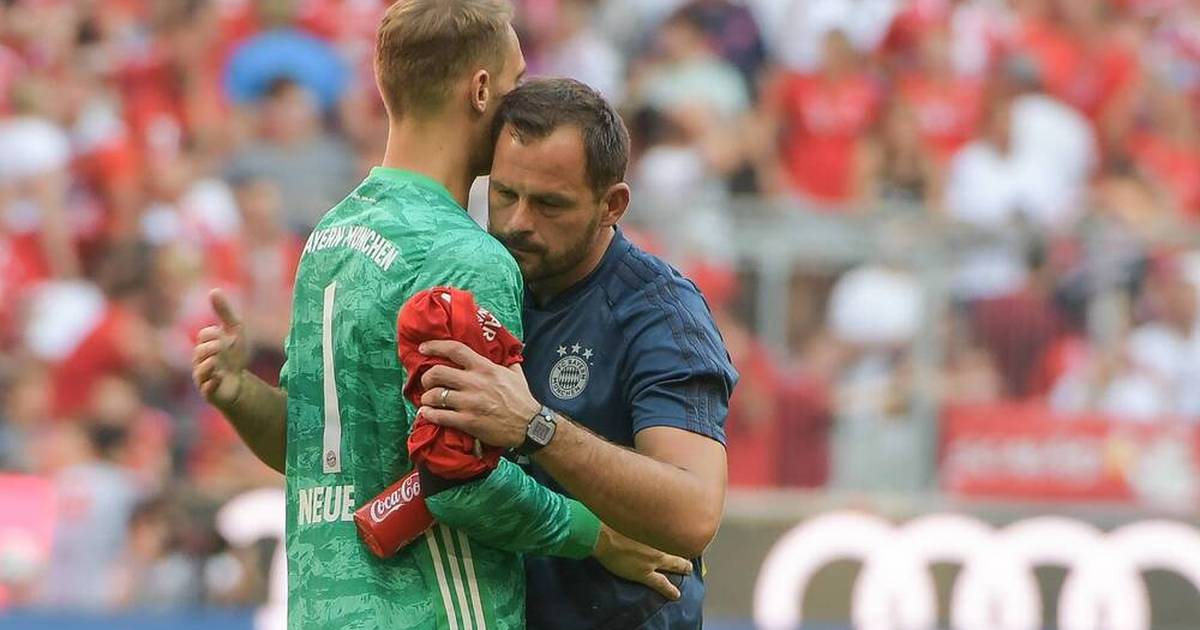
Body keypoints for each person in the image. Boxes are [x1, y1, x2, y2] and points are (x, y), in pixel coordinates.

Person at [191, 2, 687, 629]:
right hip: (434, 610)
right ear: (481, 90)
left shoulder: (331, 236)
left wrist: (240, 396)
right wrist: (599, 535)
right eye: (515, 80)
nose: (517, 101)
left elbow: (319, 453)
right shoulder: (464, 256)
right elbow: (461, 483)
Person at [416, 78, 737, 629]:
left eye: (550, 205)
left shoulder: (660, 314)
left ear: (612, 204)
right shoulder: (476, 287)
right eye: (504, 194)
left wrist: (534, 426)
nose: (518, 223)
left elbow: (694, 512)